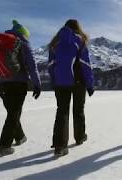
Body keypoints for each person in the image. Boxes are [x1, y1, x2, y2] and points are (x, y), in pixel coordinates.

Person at [0, 20, 41, 156]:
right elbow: (32, 65)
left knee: (12, 112)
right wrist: (37, 84)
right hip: (18, 82)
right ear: (24, 34)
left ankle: (20, 137)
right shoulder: (23, 43)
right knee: (14, 113)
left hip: (0, 84)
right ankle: (4, 145)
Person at [48, 19, 94, 156]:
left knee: (62, 111)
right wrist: (90, 84)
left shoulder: (55, 42)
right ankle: (79, 137)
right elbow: (86, 64)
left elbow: (51, 65)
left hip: (60, 83)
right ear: (77, 28)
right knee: (78, 109)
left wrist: (54, 80)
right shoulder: (79, 40)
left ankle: (60, 146)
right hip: (78, 82)